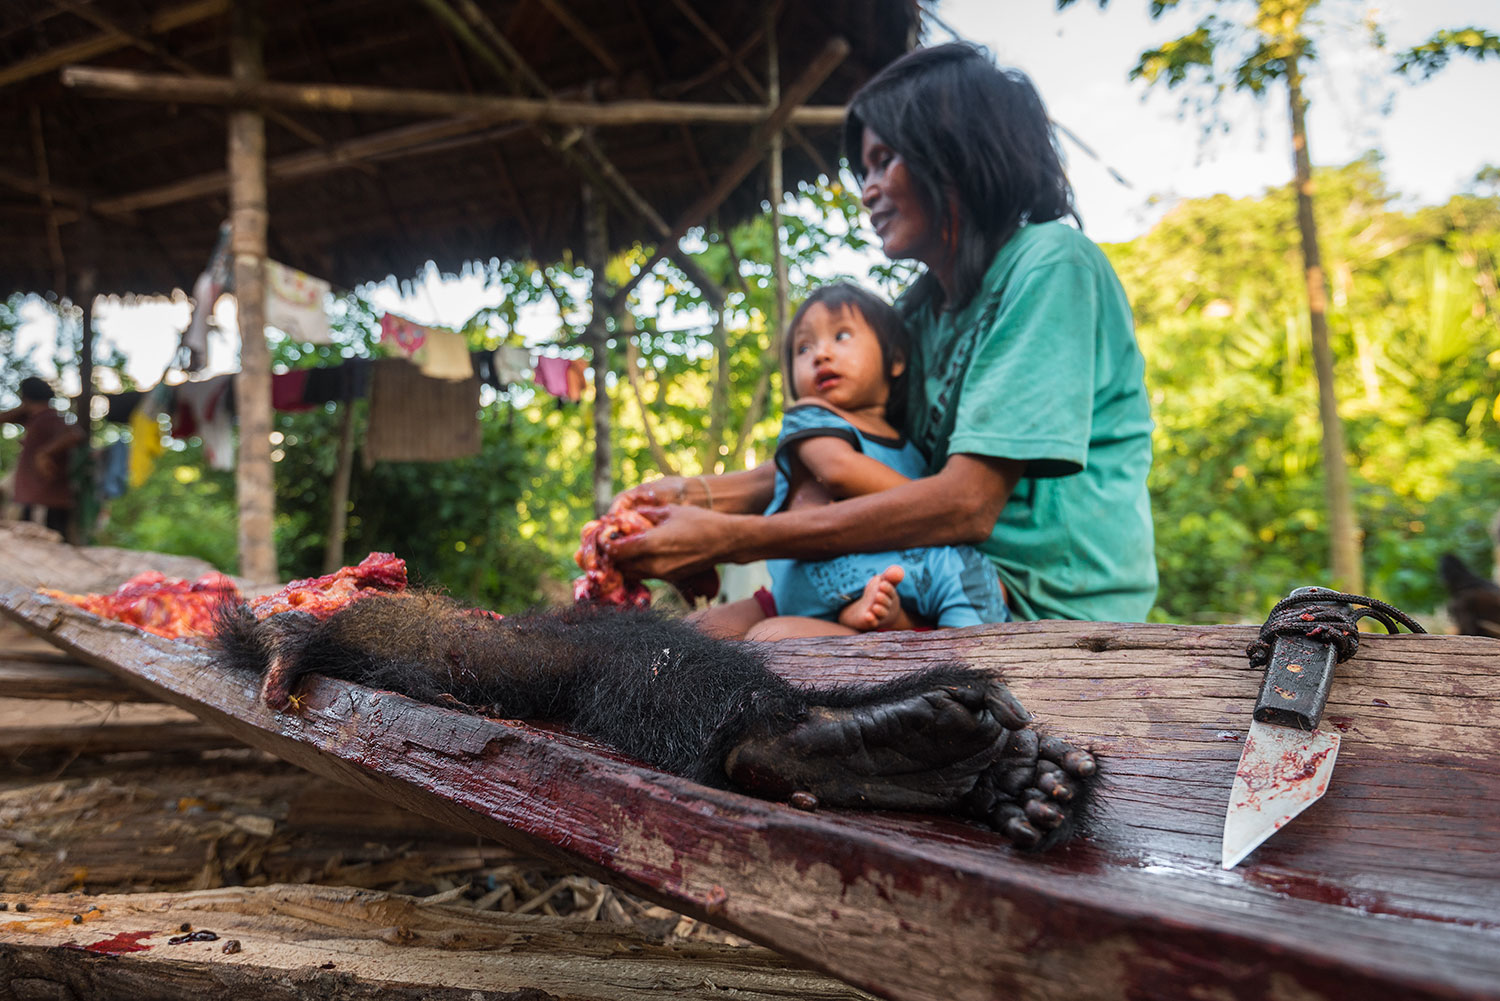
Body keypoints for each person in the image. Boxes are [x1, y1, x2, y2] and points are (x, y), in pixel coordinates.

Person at [611, 43, 1157, 624]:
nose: (867, 189)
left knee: (778, 644)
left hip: (1039, 605)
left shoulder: (1050, 266)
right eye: (864, 169)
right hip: (924, 565)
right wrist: (692, 498)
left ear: (955, 153)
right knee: (695, 641)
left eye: (885, 160)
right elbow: (844, 454)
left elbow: (967, 505)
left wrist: (729, 538)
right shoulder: (919, 312)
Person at [691, 282, 1008, 641]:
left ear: (897, 360)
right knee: (688, 638)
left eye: (841, 336)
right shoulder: (811, 418)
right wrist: (937, 502)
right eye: (803, 347)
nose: (820, 355)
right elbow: (838, 471)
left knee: (771, 638)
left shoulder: (914, 453)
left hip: (874, 596)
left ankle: (906, 635)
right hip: (793, 596)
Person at [1, 377, 84, 537]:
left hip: (46, 502)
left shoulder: (49, 418)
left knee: (44, 547)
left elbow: (76, 434)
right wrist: (22, 409)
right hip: (35, 499)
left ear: (24, 397)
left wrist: (44, 453)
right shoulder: (35, 418)